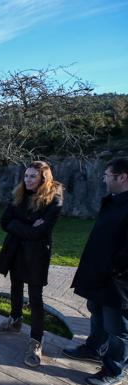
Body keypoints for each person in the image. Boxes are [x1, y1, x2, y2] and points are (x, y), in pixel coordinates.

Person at [0, 160, 63, 368]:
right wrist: (29, 226)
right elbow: (4, 222)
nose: (28, 179)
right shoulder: (19, 195)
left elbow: (40, 231)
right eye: (26, 175)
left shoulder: (54, 200)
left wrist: (19, 226)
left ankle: (36, 341)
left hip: (36, 254)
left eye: (32, 176)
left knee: (35, 297)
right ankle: (14, 320)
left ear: (43, 178)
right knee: (15, 286)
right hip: (15, 250)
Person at [63, 158, 128, 385]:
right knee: (96, 312)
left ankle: (114, 370)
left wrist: (114, 269)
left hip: (117, 280)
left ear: (122, 177)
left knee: (117, 327)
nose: (103, 178)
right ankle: (94, 348)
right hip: (99, 272)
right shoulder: (113, 201)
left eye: (107, 175)